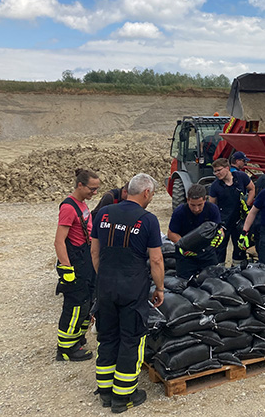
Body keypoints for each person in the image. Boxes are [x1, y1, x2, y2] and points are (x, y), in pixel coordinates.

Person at [91, 173, 164, 412]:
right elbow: (156, 259)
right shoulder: (148, 220)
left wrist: (105, 276)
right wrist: (160, 288)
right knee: (130, 339)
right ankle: (123, 396)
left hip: (105, 286)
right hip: (132, 288)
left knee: (107, 336)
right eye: (152, 194)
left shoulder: (103, 213)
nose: (151, 198)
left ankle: (104, 390)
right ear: (145, 193)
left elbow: (94, 252)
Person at [54, 168, 100, 362]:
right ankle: (66, 349)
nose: (95, 193)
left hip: (86, 259)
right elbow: (59, 241)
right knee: (74, 305)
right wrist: (66, 269)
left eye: (97, 189)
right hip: (76, 262)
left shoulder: (81, 204)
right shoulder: (68, 208)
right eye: (92, 188)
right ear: (80, 185)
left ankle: (78, 339)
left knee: (87, 303)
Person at [167, 184, 223, 278]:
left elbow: (219, 230)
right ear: (187, 200)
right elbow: (171, 233)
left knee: (213, 280)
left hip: (207, 253)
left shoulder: (212, 209)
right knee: (184, 284)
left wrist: (219, 238)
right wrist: (185, 246)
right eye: (192, 205)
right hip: (186, 256)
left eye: (200, 205)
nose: (196, 209)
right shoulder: (179, 212)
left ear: (205, 199)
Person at [209, 158, 255, 265]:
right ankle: (219, 271)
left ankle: (238, 271)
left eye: (219, 170)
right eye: (215, 171)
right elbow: (212, 206)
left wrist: (247, 204)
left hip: (239, 221)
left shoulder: (241, 177)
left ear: (227, 168)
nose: (217, 173)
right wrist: (217, 225)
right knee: (219, 250)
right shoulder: (215, 186)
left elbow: (252, 189)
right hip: (223, 222)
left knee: (240, 249)